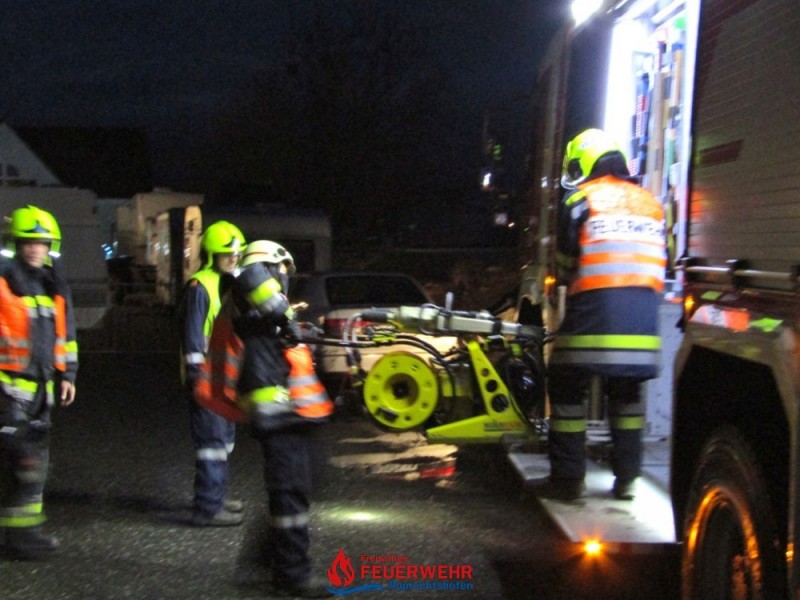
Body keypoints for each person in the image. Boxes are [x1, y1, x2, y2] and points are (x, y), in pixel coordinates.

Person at [543, 128, 666, 501]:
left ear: (584, 163)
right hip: (644, 332)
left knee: (565, 383)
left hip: (593, 324)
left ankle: (568, 480)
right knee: (627, 394)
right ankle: (627, 479)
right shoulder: (651, 203)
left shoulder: (579, 200)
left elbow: (566, 266)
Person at [209, 239, 333, 598]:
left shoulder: (258, 309)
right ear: (270, 266)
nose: (283, 278)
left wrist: (293, 326)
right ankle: (291, 574)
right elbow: (250, 275)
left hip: (292, 411)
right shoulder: (251, 283)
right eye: (281, 270)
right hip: (276, 412)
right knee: (290, 491)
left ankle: (270, 557)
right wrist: (285, 314)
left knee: (301, 485)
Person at [0, 205, 78, 559]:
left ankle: (22, 534)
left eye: (42, 243)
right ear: (14, 244)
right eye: (28, 242)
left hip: (42, 392)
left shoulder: (53, 285)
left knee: (34, 464)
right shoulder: (4, 281)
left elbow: (66, 335)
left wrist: (68, 375)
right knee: (26, 463)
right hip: (8, 391)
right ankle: (21, 536)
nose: (35, 249)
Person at [180, 220, 246, 527]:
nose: (232, 258)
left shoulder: (229, 284)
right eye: (225, 254)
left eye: (236, 254)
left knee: (223, 443)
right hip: (207, 379)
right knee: (212, 445)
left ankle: (215, 497)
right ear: (211, 255)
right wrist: (197, 377)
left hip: (225, 378)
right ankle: (207, 509)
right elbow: (193, 337)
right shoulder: (200, 286)